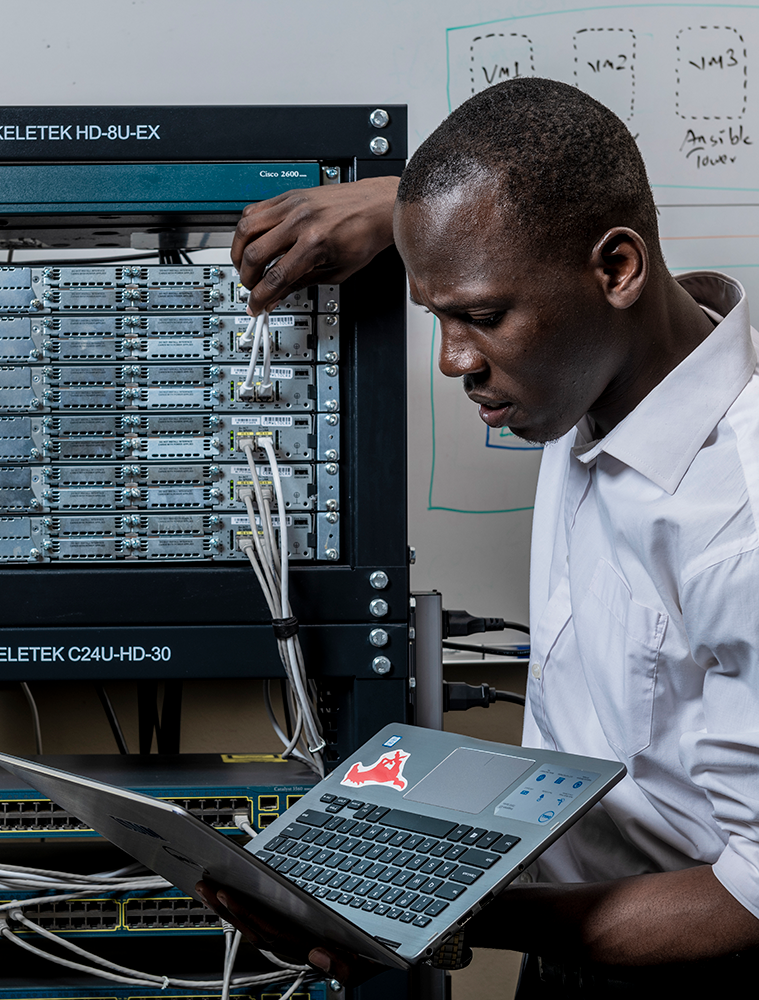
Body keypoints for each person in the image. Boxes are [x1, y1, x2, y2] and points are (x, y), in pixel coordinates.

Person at [201, 78, 759, 996]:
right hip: (565, 932)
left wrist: (445, 915)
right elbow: (522, 219)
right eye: (439, 318)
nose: (456, 360)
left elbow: (749, 895)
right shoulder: (588, 372)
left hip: (683, 950)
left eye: (483, 317)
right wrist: (395, 206)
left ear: (617, 272)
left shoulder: (732, 524)